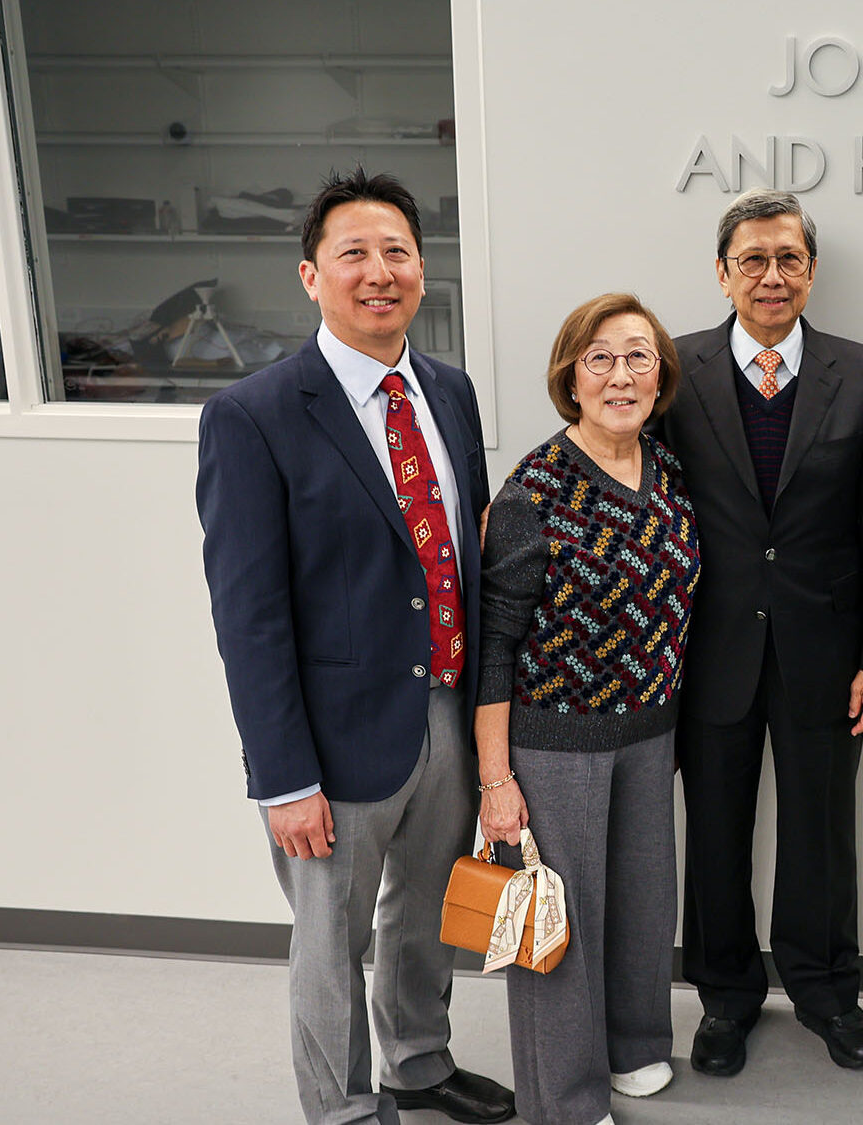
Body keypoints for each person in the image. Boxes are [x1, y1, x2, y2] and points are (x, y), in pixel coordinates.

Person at [196, 169, 515, 1125]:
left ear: (422, 269)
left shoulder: (449, 395)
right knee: (330, 937)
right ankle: (340, 1109)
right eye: (353, 255)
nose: (379, 273)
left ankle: (419, 1060)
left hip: (450, 710)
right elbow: (247, 616)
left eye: (397, 253)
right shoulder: (254, 415)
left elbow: (470, 552)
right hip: (333, 740)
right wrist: (282, 778)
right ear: (310, 275)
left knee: (424, 912)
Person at [657, 188, 863, 1076]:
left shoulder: (862, 369)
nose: (772, 276)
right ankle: (724, 997)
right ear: (722, 272)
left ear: (811, 270)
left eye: (789, 259)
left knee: (821, 834)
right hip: (708, 654)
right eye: (753, 260)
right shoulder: (672, 368)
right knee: (716, 832)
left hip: (824, 653)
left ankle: (825, 989)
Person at [475, 293, 699, 1125]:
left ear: (661, 374)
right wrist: (497, 780)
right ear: (570, 375)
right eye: (599, 357)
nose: (620, 374)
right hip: (554, 742)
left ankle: (637, 1044)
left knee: (643, 904)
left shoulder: (668, 468)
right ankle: (563, 1099)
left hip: (651, 731)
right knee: (560, 926)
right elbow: (495, 645)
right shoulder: (533, 491)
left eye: (638, 356)